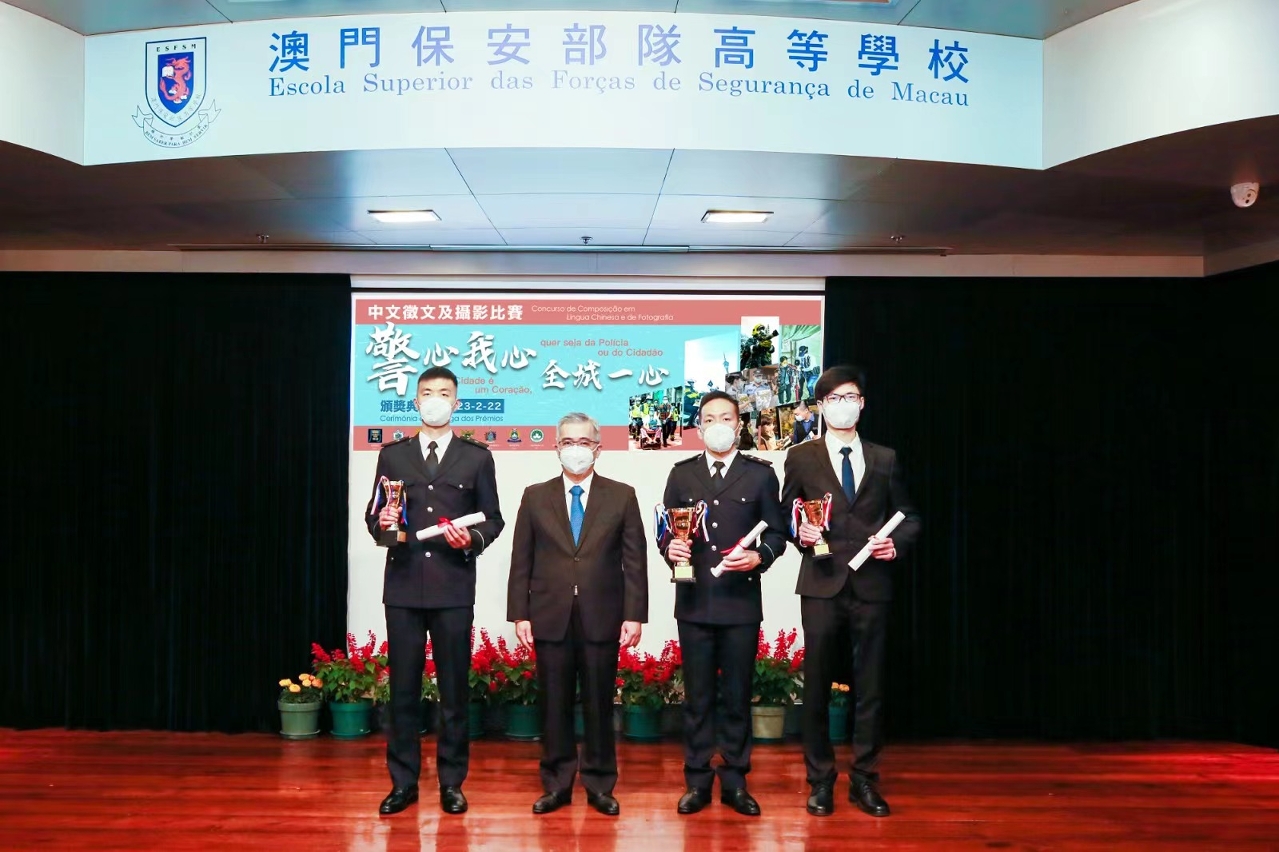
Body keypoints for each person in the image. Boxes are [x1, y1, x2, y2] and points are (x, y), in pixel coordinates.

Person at [781, 366, 921, 819]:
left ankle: (865, 778)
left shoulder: (885, 458)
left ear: (862, 404)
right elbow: (786, 514)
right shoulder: (801, 457)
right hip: (821, 581)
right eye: (834, 398)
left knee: (871, 684)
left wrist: (895, 544)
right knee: (817, 683)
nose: (843, 404)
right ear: (821, 406)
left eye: (851, 397)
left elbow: (909, 516)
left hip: (872, 584)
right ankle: (820, 779)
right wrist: (800, 531)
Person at [366, 366, 505, 817]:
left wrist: (472, 540)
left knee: (454, 691)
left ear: (456, 403)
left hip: (452, 588)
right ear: (415, 401)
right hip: (404, 587)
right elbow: (374, 516)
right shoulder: (393, 456)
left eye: (444, 393)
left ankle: (452, 783)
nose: (435, 400)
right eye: (427, 392)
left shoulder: (476, 457)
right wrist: (384, 525)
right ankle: (403, 782)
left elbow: (493, 519)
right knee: (403, 691)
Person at [507, 412, 648, 817]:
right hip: (548, 614)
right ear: (556, 448)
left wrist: (634, 614)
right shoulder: (535, 496)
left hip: (603, 614)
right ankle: (557, 783)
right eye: (568, 442)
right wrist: (520, 614)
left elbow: (634, 561)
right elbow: (522, 559)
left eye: (584, 442)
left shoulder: (622, 495)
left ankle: (600, 783)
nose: (575, 449)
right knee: (554, 704)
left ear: (598, 449)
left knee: (599, 704)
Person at [661, 391, 788, 817]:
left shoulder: (760, 475)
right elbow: (666, 531)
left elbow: (777, 533)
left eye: (726, 418)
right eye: (710, 418)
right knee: (697, 697)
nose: (718, 425)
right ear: (698, 427)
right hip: (694, 600)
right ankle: (697, 780)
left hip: (740, 602)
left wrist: (759, 556)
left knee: (737, 695)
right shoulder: (682, 474)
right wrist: (669, 549)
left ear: (739, 425)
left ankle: (735, 780)